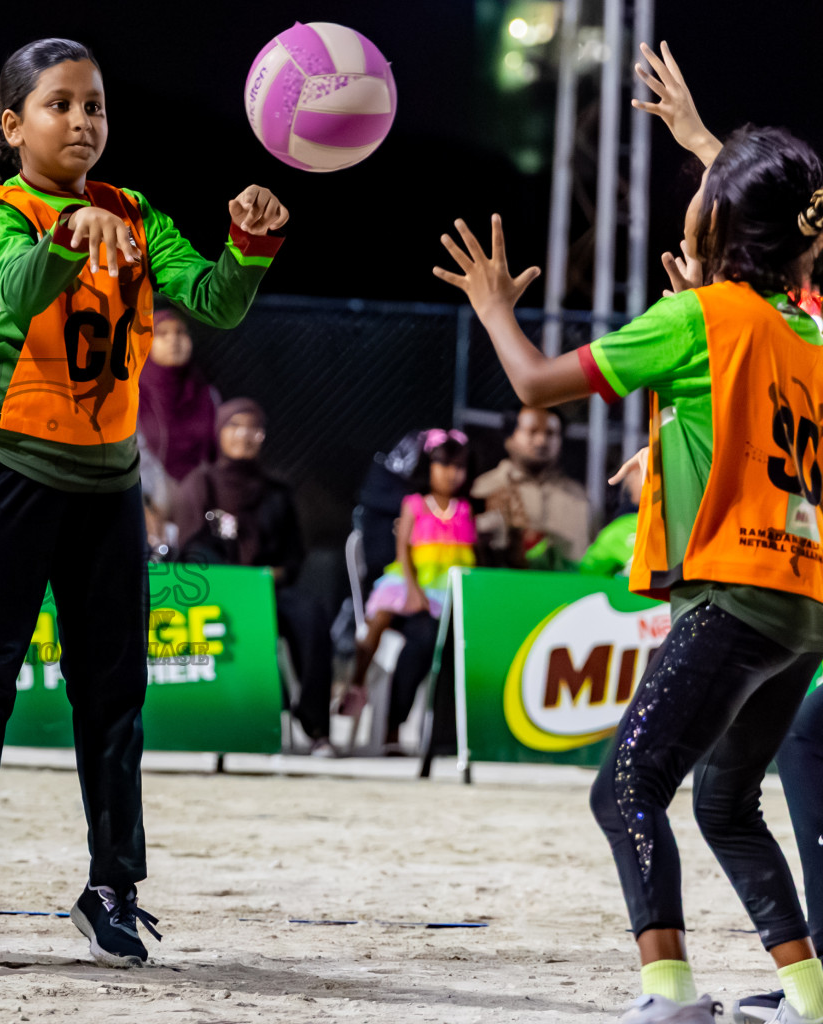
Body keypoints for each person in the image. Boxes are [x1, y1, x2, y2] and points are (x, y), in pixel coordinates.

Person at [433, 40, 823, 1022]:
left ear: (718, 221)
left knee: (627, 789)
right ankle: (812, 995)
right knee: (726, 803)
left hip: (735, 596)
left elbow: (532, 386)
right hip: (803, 607)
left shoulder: (701, 315)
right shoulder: (808, 334)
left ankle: (669, 991)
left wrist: (491, 308)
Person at [0, 37, 287, 974]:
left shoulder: (136, 212)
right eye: (60, 104)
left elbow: (213, 302)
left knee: (115, 697)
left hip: (109, 483)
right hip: (5, 472)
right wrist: (65, 237)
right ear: (13, 124)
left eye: (95, 106)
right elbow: (20, 285)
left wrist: (250, 241)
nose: (82, 121)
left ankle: (113, 890)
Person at [170, 398, 332, 753]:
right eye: (235, 426)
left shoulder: (278, 490)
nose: (244, 436)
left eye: (253, 428)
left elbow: (293, 551)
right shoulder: (201, 484)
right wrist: (234, 582)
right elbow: (192, 548)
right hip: (221, 595)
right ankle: (261, 713)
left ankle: (316, 725)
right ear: (219, 432)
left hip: (269, 589)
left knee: (312, 616)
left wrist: (278, 573)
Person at [341, 429, 475, 751]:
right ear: (429, 467)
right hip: (410, 582)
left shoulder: (466, 510)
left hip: (446, 593)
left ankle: (403, 726)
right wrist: (414, 592)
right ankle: (356, 683)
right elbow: (403, 550)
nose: (451, 474)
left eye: (459, 467)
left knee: (429, 641)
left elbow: (470, 554)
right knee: (380, 619)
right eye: (443, 465)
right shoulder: (414, 504)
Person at [471, 406, 592, 568]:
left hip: (567, 589)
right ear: (510, 436)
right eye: (532, 432)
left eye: (550, 434)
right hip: (503, 587)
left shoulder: (578, 496)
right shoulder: (484, 489)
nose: (541, 441)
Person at [136, 308, 219, 513]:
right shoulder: (134, 394)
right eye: (162, 334)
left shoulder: (207, 395)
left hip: (200, 502)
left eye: (181, 332)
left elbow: (216, 455)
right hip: (146, 503)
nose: (174, 340)